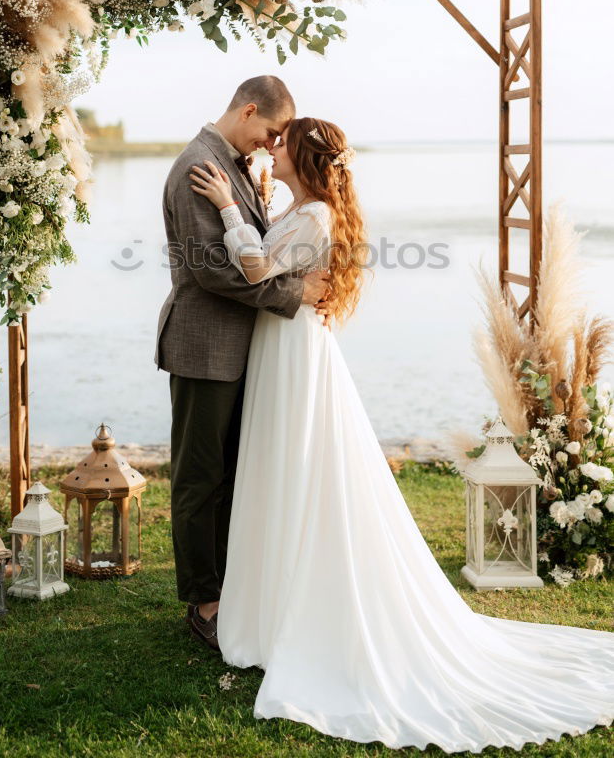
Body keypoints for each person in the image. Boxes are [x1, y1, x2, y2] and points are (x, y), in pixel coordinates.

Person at [188, 115, 614, 754]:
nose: (269, 148)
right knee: (282, 467)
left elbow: (252, 270)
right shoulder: (306, 209)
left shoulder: (314, 218)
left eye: (281, 144)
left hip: (295, 352)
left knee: (297, 469)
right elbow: (283, 261)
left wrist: (227, 206)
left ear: (304, 161)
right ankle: (275, 599)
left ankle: (288, 605)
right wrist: (262, 196)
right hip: (286, 346)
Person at [154, 76, 330, 651]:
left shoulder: (230, 162)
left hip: (242, 347)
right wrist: (294, 296)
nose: (271, 144)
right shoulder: (196, 167)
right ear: (249, 110)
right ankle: (204, 601)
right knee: (200, 479)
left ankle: (232, 588)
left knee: (231, 476)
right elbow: (212, 271)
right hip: (205, 347)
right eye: (270, 132)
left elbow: (255, 246)